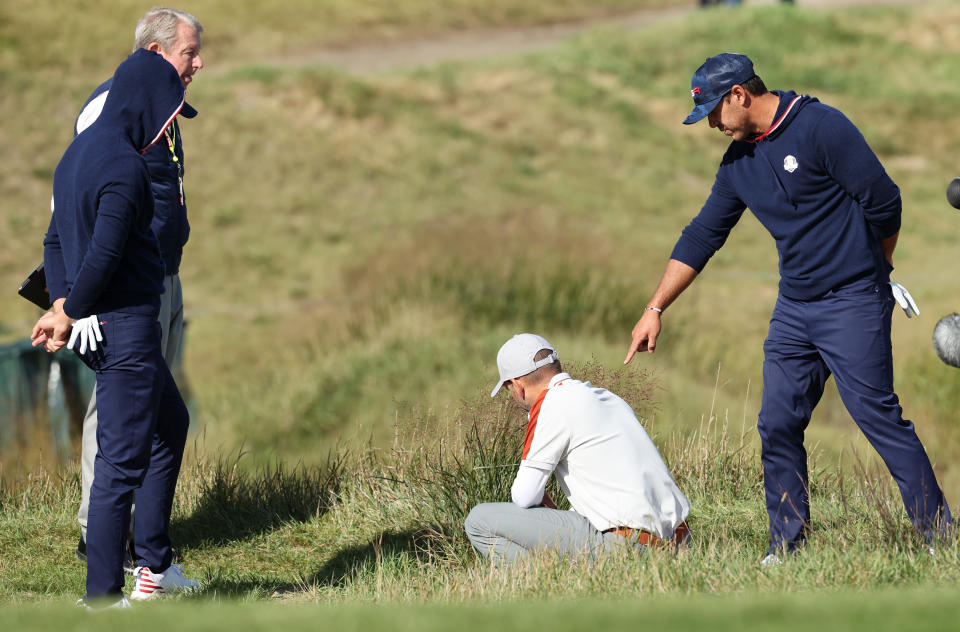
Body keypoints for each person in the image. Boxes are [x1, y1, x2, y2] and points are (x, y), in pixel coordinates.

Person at [623, 53, 951, 563]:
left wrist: (874, 274)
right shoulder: (738, 164)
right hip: (795, 309)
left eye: (714, 110)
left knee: (877, 417)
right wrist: (655, 307)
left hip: (852, 302)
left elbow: (885, 202)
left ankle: (939, 538)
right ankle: (788, 547)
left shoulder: (821, 127)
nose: (711, 123)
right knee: (777, 422)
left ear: (739, 95)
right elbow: (703, 235)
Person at [32, 48, 197, 607]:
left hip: (107, 325)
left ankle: (152, 564)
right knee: (120, 463)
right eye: (168, 110)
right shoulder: (124, 162)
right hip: (124, 326)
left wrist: (62, 302)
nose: (169, 122)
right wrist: (68, 310)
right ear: (146, 104)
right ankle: (102, 598)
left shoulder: (76, 154)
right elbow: (101, 251)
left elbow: (55, 241)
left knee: (169, 423)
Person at [73, 7, 203, 581]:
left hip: (161, 280)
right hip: (121, 292)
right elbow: (75, 200)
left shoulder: (167, 111)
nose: (198, 63)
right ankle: (101, 537)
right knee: (118, 411)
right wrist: (74, 301)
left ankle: (147, 551)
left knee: (157, 415)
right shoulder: (107, 108)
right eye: (188, 52)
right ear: (154, 53)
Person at [464, 334, 690, 564]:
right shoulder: (607, 397)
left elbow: (523, 496)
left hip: (629, 548)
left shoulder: (551, 403)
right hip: (678, 542)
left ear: (518, 385)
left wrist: (545, 506)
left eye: (508, 388)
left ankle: (540, 587)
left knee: (478, 521)